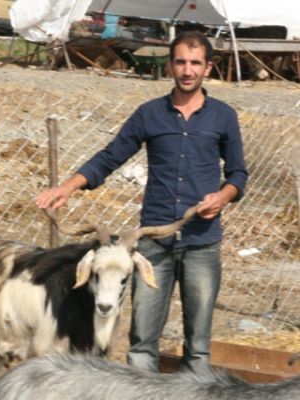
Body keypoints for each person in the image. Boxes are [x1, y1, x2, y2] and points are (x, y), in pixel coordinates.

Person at [35, 31, 248, 374]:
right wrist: (68, 187)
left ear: (208, 68)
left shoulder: (223, 117)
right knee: (142, 344)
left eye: (195, 63)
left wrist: (223, 197)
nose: (188, 70)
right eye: (181, 62)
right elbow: (110, 157)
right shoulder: (150, 114)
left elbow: (238, 174)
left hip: (202, 242)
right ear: (170, 65)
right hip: (154, 246)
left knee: (198, 346)